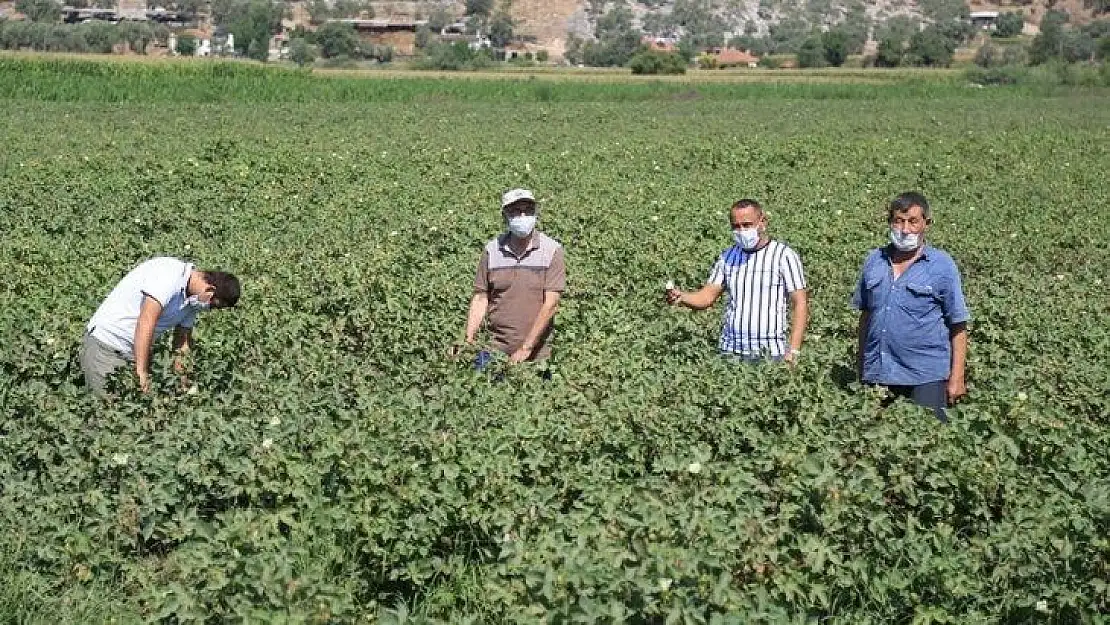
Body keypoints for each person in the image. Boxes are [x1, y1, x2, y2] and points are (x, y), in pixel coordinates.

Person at [851, 191, 969, 422]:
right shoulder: (874, 260)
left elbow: (958, 324)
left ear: (926, 224)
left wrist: (957, 377)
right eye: (899, 221)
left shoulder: (941, 266)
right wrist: (861, 365)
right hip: (879, 372)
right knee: (873, 442)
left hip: (925, 375)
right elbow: (866, 317)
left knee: (926, 446)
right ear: (890, 222)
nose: (905, 229)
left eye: (913, 221)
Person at [666, 199, 808, 363]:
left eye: (747, 225)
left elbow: (800, 303)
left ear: (763, 222)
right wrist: (682, 297)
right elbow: (707, 296)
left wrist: (794, 350)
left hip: (770, 353)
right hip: (730, 350)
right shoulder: (727, 257)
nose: (741, 230)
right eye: (736, 226)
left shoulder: (783, 255)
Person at [82, 257, 240, 395]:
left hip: (133, 353)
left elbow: (182, 344)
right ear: (210, 290)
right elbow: (146, 321)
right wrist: (141, 372)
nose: (209, 309)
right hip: (106, 346)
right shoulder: (169, 274)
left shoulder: (192, 303)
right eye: (214, 305)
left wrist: (182, 382)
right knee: (107, 412)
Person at [462, 188, 565, 369]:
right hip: (494, 348)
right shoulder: (492, 250)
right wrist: (468, 341)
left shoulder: (551, 251)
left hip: (536, 354)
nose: (522, 216)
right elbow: (480, 298)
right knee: (482, 391)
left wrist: (526, 348)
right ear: (505, 216)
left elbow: (551, 304)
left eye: (528, 210)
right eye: (516, 211)